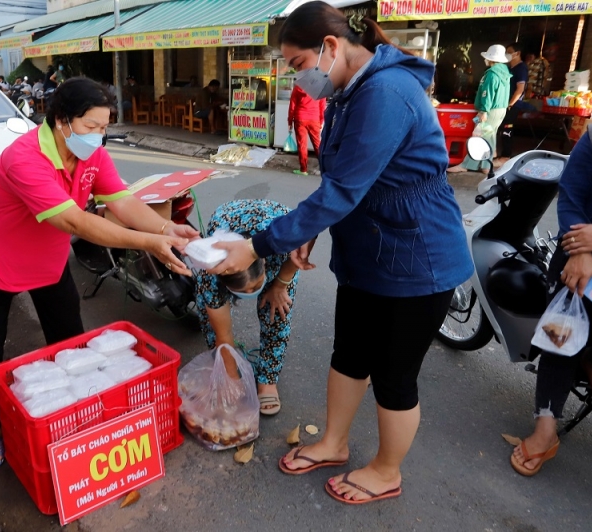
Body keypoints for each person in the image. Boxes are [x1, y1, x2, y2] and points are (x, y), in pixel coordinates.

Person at [209, 4, 473, 504]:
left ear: (330, 48)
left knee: (394, 376)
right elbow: (341, 183)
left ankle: (386, 471)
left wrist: (258, 245)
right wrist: (307, 231)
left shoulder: (386, 93)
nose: (298, 76)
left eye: (296, 62)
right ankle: (333, 442)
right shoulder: (350, 93)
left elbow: (343, 190)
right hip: (367, 253)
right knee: (349, 354)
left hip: (417, 260)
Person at [0, 77, 199, 468]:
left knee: (69, 340)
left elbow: (120, 199)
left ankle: (70, 413)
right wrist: (145, 244)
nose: (98, 136)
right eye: (91, 127)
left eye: (105, 127)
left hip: (47, 256)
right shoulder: (24, 157)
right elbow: (75, 223)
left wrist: (164, 229)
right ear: (61, 121)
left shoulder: (91, 154)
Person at [510, 128, 592, 476]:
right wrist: (583, 250)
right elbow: (573, 193)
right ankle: (545, 429)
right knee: (561, 338)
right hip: (580, 254)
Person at [193, 199, 300, 416]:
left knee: (277, 310)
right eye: (245, 291)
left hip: (278, 230)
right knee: (211, 320)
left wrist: (280, 284)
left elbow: (306, 243)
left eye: (255, 286)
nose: (251, 294)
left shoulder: (283, 244)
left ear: (267, 266)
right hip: (227, 220)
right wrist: (232, 382)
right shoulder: (211, 276)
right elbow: (224, 335)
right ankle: (226, 370)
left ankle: (268, 380)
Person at [447, 45, 511, 174]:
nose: (485, 60)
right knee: (489, 135)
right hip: (500, 110)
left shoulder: (492, 74)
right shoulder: (504, 73)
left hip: (490, 110)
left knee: (479, 135)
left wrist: (483, 111)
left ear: (491, 59)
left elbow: (487, 94)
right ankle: (486, 166)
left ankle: (466, 165)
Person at [494, 42, 528, 167]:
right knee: (501, 129)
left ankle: (505, 157)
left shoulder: (521, 68)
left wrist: (510, 104)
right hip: (505, 104)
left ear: (517, 53)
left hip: (513, 105)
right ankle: (499, 155)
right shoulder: (510, 68)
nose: (507, 54)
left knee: (507, 129)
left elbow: (520, 89)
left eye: (509, 51)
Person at [288, 84, 326, 175]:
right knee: (318, 145)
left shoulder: (298, 87)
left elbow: (292, 106)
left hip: (300, 118)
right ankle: (325, 169)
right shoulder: (320, 88)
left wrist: (290, 121)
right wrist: (321, 121)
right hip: (314, 119)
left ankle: (303, 170)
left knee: (302, 145)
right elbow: (322, 106)